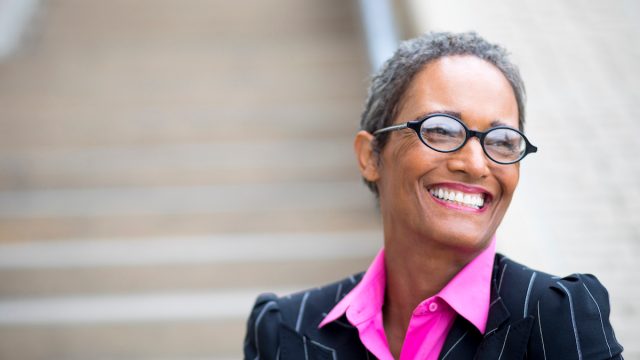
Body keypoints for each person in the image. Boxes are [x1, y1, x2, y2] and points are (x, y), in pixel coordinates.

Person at [243, 32, 623, 359]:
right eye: (441, 130)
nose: (475, 164)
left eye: (503, 141)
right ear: (370, 156)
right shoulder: (283, 331)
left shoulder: (557, 315)